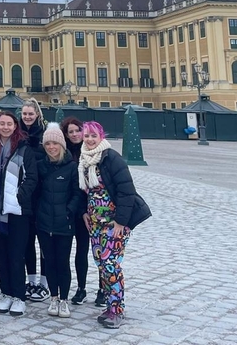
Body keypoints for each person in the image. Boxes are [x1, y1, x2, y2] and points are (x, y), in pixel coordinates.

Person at [78, 121, 152, 329]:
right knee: (102, 265)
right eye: (87, 136)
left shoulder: (112, 158)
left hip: (114, 223)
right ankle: (110, 305)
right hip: (94, 223)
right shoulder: (84, 160)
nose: (90, 140)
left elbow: (126, 191)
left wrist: (121, 221)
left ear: (101, 137)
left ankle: (117, 309)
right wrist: (85, 212)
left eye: (94, 136)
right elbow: (87, 192)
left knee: (111, 265)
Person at [0, 112, 37, 317]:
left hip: (17, 211)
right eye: (2, 124)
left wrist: (18, 197)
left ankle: (19, 296)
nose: (5, 127)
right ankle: (6, 292)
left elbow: (32, 178)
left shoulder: (24, 149)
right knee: (0, 254)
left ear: (15, 126)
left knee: (16, 255)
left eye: (9, 124)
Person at [36, 123, 85, 319]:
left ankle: (64, 299)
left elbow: (77, 193)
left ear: (61, 145)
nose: (51, 147)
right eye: (47, 143)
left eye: (55, 143)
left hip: (64, 223)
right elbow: (36, 193)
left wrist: (69, 211)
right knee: (49, 262)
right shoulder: (41, 166)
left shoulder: (72, 167)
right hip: (45, 222)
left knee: (62, 262)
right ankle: (53, 297)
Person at [19, 98, 50, 302]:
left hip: (44, 193)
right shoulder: (16, 132)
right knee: (28, 240)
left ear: (37, 114)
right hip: (24, 195)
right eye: (25, 114)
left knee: (45, 241)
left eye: (31, 114)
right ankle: (30, 280)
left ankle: (45, 282)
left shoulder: (46, 133)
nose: (28, 117)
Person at [60, 116, 93, 306]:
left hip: (91, 210)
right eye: (70, 132)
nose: (74, 134)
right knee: (75, 252)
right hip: (73, 209)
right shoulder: (65, 154)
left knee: (90, 251)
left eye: (77, 130)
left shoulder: (91, 152)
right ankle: (80, 288)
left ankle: (99, 289)